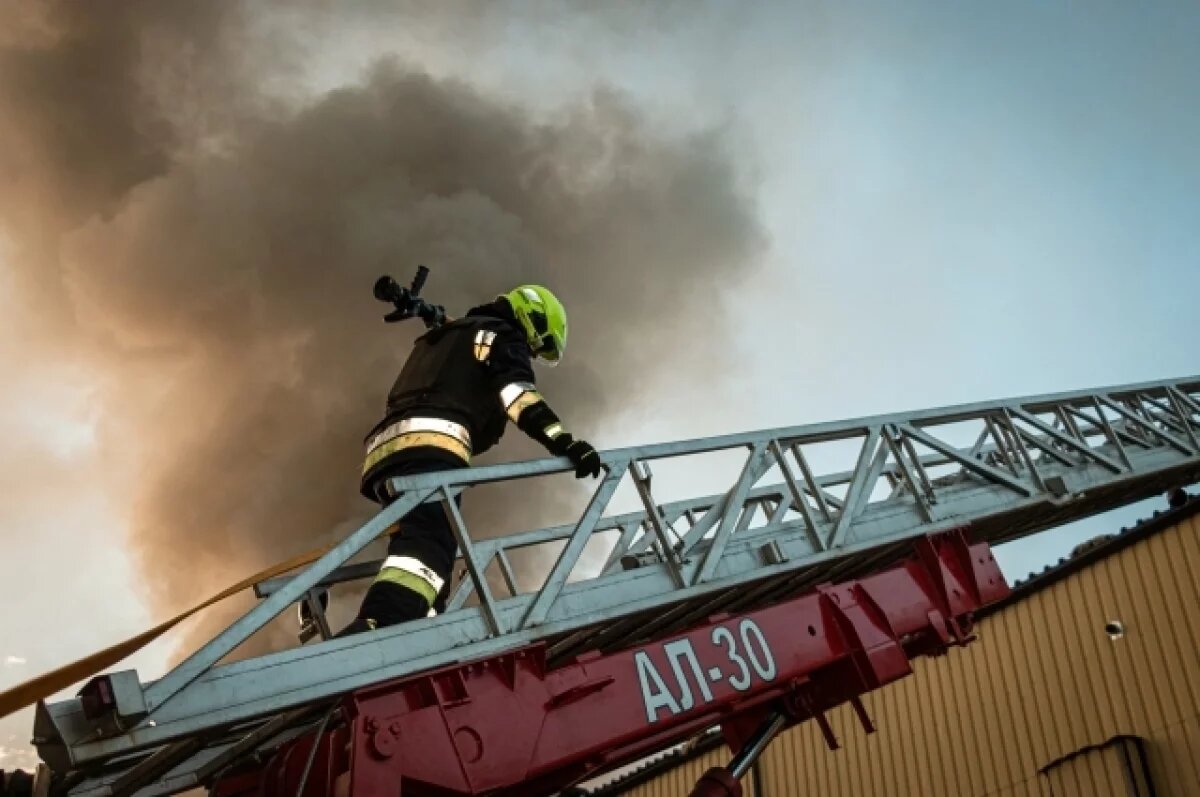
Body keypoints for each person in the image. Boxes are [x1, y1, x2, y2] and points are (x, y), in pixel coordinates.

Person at [337, 285, 601, 636]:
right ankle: (381, 624)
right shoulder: (503, 336)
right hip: (431, 445)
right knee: (428, 547)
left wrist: (424, 310)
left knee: (428, 546)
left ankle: (420, 629)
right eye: (537, 345)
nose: (532, 353)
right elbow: (518, 397)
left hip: (386, 451)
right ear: (532, 319)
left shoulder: (452, 334)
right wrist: (566, 443)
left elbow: (451, 347)